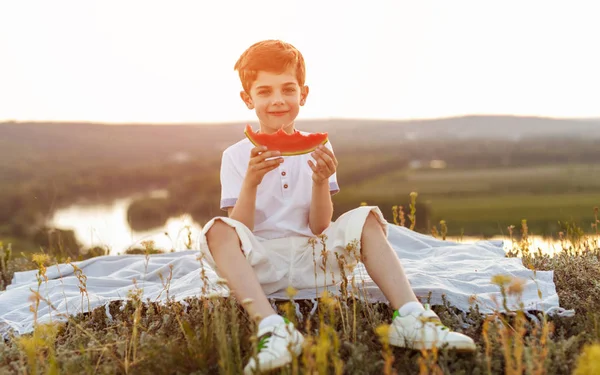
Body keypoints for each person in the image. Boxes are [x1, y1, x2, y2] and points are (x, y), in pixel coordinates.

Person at [199, 39, 476, 374]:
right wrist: (251, 181)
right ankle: (272, 328)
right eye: (265, 91)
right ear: (248, 99)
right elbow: (240, 229)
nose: (277, 100)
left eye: (288, 89)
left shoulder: (321, 146)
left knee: (366, 218)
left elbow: (320, 225)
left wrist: (319, 181)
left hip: (315, 263)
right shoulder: (236, 156)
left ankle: (411, 317)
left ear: (303, 94)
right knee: (217, 229)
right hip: (261, 267)